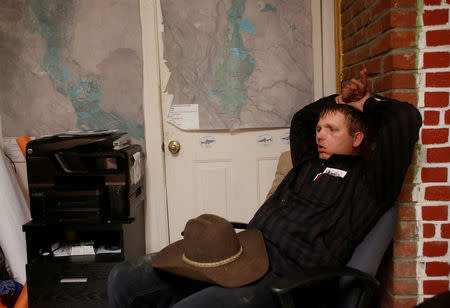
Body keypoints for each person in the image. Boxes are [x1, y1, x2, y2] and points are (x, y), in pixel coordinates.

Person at [107, 69, 422, 307]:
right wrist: (340, 102)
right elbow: (301, 121)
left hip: (286, 277)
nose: (319, 135)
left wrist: (366, 103)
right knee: (125, 279)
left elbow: (405, 119)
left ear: (357, 139)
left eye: (331, 129)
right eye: (320, 129)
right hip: (242, 255)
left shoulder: (369, 182)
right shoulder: (309, 164)